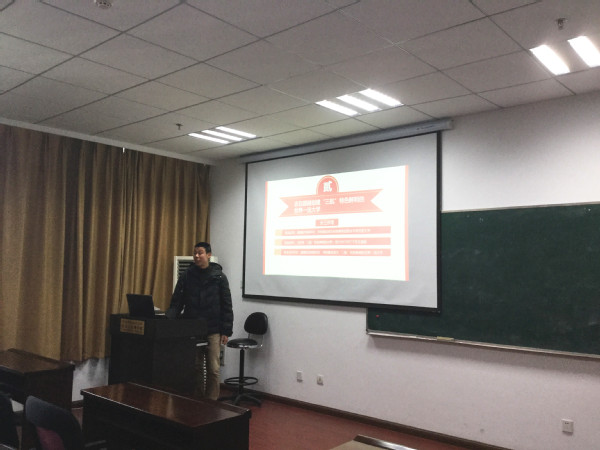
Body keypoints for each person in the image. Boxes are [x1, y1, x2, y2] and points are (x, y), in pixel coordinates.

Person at [166, 242, 233, 400]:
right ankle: (198, 400)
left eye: (200, 253)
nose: (196, 256)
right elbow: (177, 301)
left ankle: (211, 402)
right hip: (192, 328)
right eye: (195, 253)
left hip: (213, 329)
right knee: (195, 367)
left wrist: (226, 330)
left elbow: (226, 305)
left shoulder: (219, 277)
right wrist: (169, 321)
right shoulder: (187, 275)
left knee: (213, 369)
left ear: (209, 255)